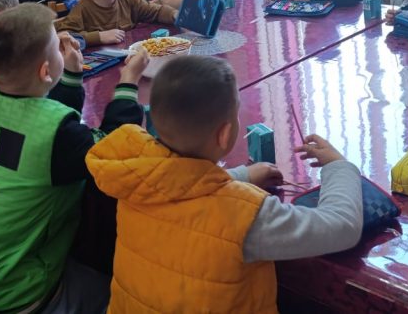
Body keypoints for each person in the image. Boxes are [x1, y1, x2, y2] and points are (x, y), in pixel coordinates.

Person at [87, 55, 363, 312]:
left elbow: (179, 190)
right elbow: (342, 226)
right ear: (225, 134)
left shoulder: (135, 176)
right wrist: (338, 166)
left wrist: (241, 175)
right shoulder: (246, 217)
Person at [0, 4, 148, 314]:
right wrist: (128, 82)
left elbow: (44, 124)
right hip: (11, 295)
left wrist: (71, 74)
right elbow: (115, 148)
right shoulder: (58, 136)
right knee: (121, 287)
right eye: (56, 46)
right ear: (45, 71)